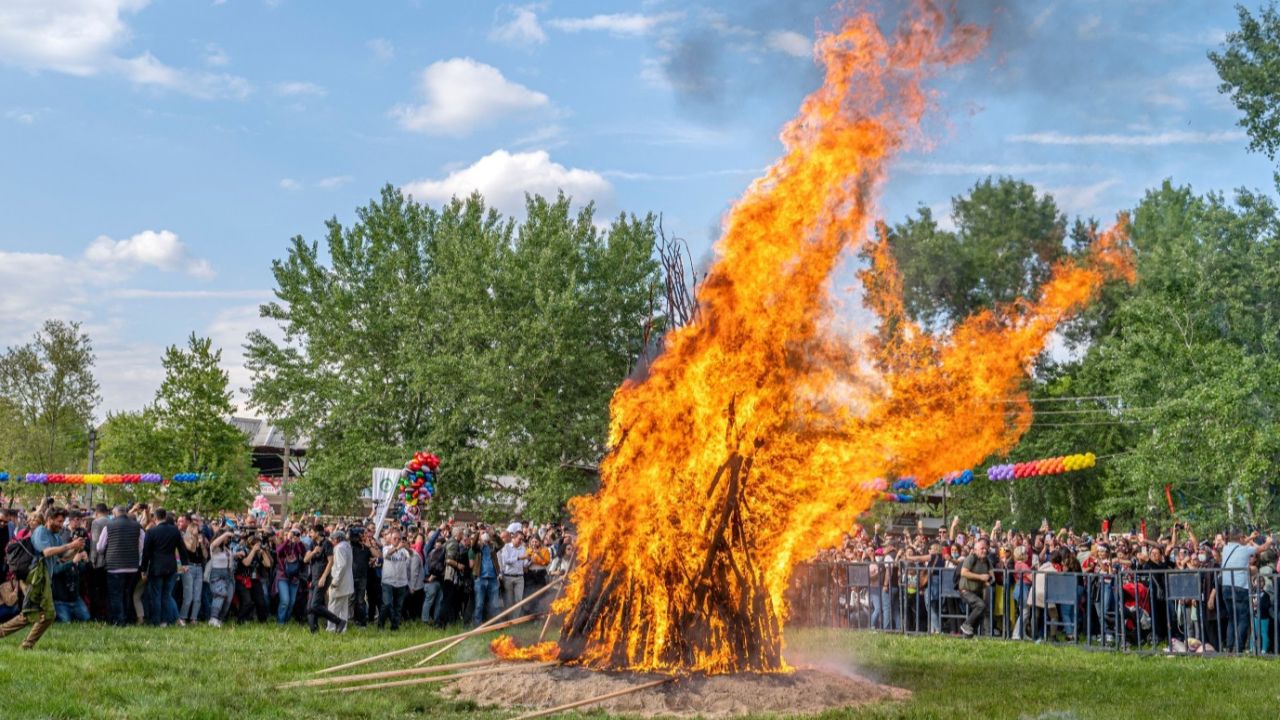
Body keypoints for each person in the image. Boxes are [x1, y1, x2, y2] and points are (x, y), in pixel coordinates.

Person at [0, 508, 80, 648]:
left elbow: (62, 557)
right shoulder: (40, 531)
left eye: (62, 521)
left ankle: (26, 645)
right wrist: (69, 545)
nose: (62, 525)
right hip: (34, 579)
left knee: (42, 615)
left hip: (44, 580)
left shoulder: (56, 536)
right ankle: (26, 645)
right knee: (32, 615)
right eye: (59, 521)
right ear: (49, 519)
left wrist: (76, 549)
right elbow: (46, 552)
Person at [1221, 529, 1272, 652]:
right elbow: (1263, 548)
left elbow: (1240, 542)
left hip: (1226, 587)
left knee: (1232, 619)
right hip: (1240, 588)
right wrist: (1269, 541)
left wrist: (1250, 537)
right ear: (1240, 539)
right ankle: (1238, 648)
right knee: (1243, 618)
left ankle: (1229, 648)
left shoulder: (1226, 548)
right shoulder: (1245, 550)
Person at [97, 505, 143, 627]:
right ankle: (126, 618)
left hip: (114, 566)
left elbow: (100, 547)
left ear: (115, 513)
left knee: (116, 595)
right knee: (127, 593)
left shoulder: (109, 526)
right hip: (132, 566)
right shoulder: (137, 526)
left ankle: (119, 621)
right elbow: (142, 546)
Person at [140, 509, 183, 627]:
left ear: (155, 518)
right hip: (171, 566)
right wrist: (184, 564)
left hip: (156, 567)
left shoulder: (151, 532)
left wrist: (143, 569)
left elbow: (146, 552)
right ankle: (165, 620)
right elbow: (181, 548)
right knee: (166, 595)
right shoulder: (175, 531)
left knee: (156, 595)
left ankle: (156, 621)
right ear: (165, 516)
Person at [959, 537, 993, 637]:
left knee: (981, 611)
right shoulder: (971, 558)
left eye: (986, 548)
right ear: (976, 549)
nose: (984, 550)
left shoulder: (987, 561)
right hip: (966, 590)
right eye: (982, 548)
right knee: (980, 605)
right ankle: (966, 624)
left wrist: (988, 581)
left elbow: (991, 576)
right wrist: (981, 577)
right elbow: (963, 572)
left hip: (978, 591)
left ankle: (968, 636)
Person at [177, 514, 207, 626]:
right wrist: (194, 538)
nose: (196, 529)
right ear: (190, 528)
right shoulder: (184, 537)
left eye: (197, 527)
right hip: (188, 567)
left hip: (199, 568)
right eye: (194, 527)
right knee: (188, 596)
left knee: (197, 596)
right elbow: (192, 549)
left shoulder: (200, 538)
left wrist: (202, 544)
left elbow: (205, 555)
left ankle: (194, 618)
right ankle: (182, 618)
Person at [380, 530, 412, 631]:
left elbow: (412, 555)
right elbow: (386, 555)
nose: (397, 540)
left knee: (398, 606)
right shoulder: (386, 548)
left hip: (401, 582)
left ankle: (395, 627)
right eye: (395, 538)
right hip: (388, 582)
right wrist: (397, 548)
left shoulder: (403, 550)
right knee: (387, 604)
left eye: (399, 539)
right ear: (390, 539)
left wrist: (407, 547)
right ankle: (381, 624)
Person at [205, 524, 236, 626]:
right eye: (227, 537)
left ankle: (219, 619)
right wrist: (225, 533)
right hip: (217, 574)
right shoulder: (214, 548)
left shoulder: (227, 548)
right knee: (220, 594)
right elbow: (213, 545)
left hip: (229, 575)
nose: (228, 539)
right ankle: (213, 619)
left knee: (228, 598)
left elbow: (229, 557)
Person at [275, 529, 306, 624]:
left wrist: (298, 542)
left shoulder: (296, 546)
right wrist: (288, 540)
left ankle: (286, 619)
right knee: (285, 601)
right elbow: (278, 551)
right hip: (282, 577)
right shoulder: (281, 545)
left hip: (294, 578)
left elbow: (303, 554)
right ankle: (280, 622)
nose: (292, 536)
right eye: (289, 534)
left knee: (292, 602)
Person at [326, 528, 354, 633]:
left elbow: (341, 566)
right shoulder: (347, 546)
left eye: (333, 539)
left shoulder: (339, 548)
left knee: (333, 606)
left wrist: (335, 582)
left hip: (340, 582)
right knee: (343, 608)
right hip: (347, 581)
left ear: (337, 539)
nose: (332, 541)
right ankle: (343, 629)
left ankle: (331, 628)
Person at [470, 531, 501, 626]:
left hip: (493, 579)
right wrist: (478, 534)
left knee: (495, 605)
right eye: (484, 539)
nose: (486, 540)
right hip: (480, 579)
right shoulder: (478, 549)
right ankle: (477, 625)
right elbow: (473, 545)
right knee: (479, 604)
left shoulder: (493, 547)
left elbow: (501, 544)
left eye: (486, 539)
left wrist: (494, 535)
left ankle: (497, 625)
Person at [87, 503, 111, 620]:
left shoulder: (96, 523)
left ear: (96, 513)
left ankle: (96, 615)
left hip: (99, 561)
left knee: (96, 589)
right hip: (111, 561)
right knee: (106, 590)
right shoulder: (112, 522)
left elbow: (95, 542)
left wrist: (92, 560)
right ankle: (106, 614)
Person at [498, 531, 528, 615]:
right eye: (519, 539)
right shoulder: (506, 547)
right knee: (509, 600)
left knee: (518, 599)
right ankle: (508, 620)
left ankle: (514, 620)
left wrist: (530, 559)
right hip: (508, 577)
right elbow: (506, 561)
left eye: (522, 539)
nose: (521, 541)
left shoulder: (523, 548)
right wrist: (519, 558)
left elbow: (525, 564)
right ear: (513, 538)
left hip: (520, 577)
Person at [422, 525, 447, 626]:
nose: (437, 542)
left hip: (439, 580)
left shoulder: (441, 551)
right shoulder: (428, 549)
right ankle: (425, 621)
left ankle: (437, 621)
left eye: (439, 541)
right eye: (436, 540)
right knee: (429, 602)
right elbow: (432, 540)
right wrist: (439, 529)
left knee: (439, 602)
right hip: (430, 581)